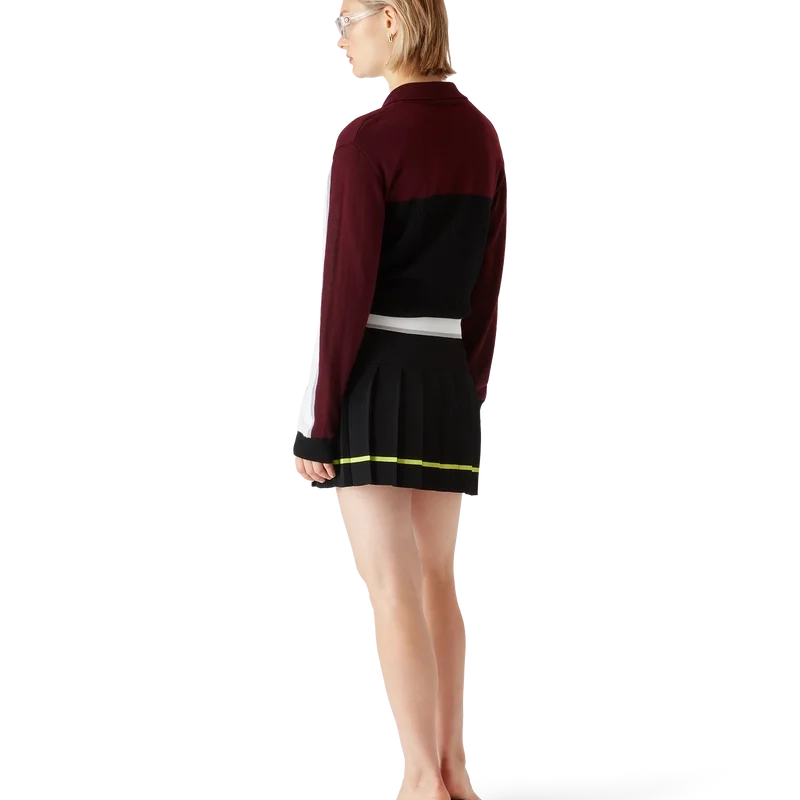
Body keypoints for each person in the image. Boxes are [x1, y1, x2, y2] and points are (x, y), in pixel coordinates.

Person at [292, 2, 507, 798]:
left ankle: (419, 780)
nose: (339, 39)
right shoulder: (480, 134)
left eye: (346, 21)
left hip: (377, 377)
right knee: (436, 582)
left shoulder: (368, 138)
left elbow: (346, 295)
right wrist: (465, 387)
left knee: (390, 585)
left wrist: (319, 427)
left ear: (392, 20)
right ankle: (454, 773)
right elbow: (487, 287)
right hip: (445, 377)